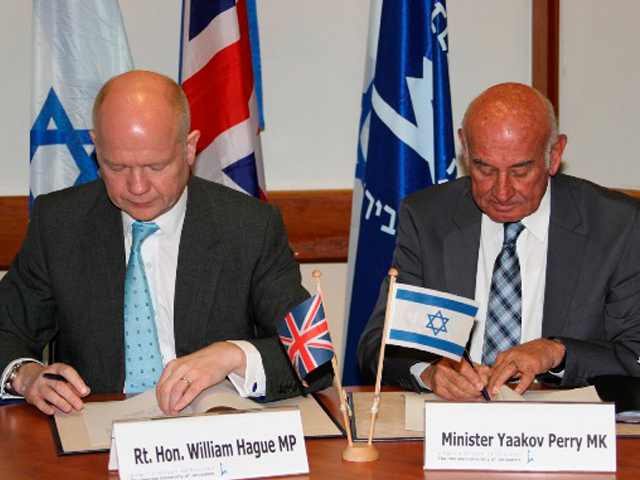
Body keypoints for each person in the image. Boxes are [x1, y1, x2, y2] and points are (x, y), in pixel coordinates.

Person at [0, 70, 330, 415]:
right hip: (95, 436)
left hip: (214, 440)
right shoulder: (60, 224)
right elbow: (6, 330)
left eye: (156, 166)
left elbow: (314, 358)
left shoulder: (249, 228)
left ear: (189, 149)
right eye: (117, 167)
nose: (137, 186)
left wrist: (233, 355)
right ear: (97, 149)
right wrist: (25, 375)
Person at [358, 82, 640, 400]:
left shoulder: (617, 226)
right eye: (485, 169)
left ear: (555, 154)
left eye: (520, 171)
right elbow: (376, 348)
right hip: (456, 423)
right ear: (465, 147)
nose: (502, 192)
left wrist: (558, 353)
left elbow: (634, 351)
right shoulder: (428, 219)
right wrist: (430, 372)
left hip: (565, 431)